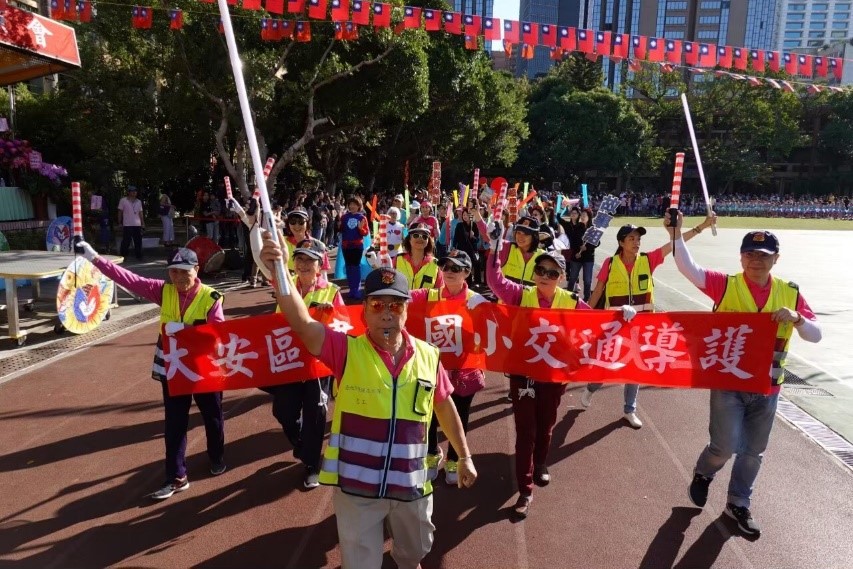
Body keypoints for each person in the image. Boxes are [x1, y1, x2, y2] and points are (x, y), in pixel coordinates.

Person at [259, 236, 477, 569]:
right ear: (364, 310)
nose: (387, 313)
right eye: (377, 305)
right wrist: (278, 270)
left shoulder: (430, 357)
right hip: (357, 487)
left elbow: (443, 406)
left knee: (416, 550)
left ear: (407, 309)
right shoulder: (345, 350)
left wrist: (464, 455)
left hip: (411, 483)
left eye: (396, 305)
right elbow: (302, 323)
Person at [665, 213, 821, 537]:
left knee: (753, 451)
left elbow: (815, 334)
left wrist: (797, 319)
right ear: (741, 257)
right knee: (723, 446)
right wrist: (676, 233)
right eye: (750, 254)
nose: (756, 261)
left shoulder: (790, 293)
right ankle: (704, 472)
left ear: (775, 259)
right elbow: (687, 268)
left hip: (767, 387)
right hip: (729, 385)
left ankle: (738, 503)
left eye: (763, 256)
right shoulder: (726, 285)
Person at [74, 241, 226, 499]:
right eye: (173, 271)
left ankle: (217, 456)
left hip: (204, 368)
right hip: (174, 365)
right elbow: (128, 278)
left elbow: (219, 334)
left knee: (212, 415)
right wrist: (93, 257)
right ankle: (176, 476)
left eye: (184, 271)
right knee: (175, 423)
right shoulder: (162, 290)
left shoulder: (211, 297)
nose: (178, 277)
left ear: (196, 269)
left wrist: (189, 333)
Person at [487, 225, 608, 520]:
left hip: (554, 376)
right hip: (523, 374)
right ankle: (525, 490)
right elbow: (495, 280)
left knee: (546, 425)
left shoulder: (570, 302)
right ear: (534, 271)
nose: (545, 276)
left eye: (553, 273)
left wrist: (623, 315)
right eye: (541, 269)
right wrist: (493, 248)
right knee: (525, 431)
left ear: (562, 278)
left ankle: (540, 463)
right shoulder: (520, 295)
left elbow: (598, 324)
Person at [579, 219, 712, 428]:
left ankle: (629, 410)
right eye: (631, 238)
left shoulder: (648, 260)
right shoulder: (610, 264)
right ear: (621, 242)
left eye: (638, 239)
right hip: (614, 325)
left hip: (641, 327)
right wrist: (583, 315)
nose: (636, 242)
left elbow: (675, 244)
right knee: (606, 365)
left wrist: (701, 227)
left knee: (634, 369)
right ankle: (590, 389)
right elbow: (597, 291)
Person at [266, 238, 343, 488]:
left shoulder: (332, 291)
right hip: (289, 363)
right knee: (283, 411)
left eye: (310, 260)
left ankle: (312, 464)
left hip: (317, 366)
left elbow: (344, 327)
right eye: (299, 259)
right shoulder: (285, 289)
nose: (304, 264)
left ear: (320, 265)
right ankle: (302, 444)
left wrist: (331, 318)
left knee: (316, 413)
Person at [411, 250, 486, 484]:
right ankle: (433, 453)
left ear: (467, 272)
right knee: (430, 414)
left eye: (456, 268)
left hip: (465, 370)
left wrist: (488, 304)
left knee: (460, 415)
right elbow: (399, 298)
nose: (449, 272)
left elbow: (496, 325)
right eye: (445, 267)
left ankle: (455, 458)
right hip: (433, 368)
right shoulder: (429, 296)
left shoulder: (476, 300)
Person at [395, 223, 444, 290]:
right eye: (416, 235)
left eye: (424, 236)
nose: (420, 238)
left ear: (428, 241)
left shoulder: (436, 264)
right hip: (401, 300)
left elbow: (439, 292)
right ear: (409, 239)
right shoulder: (397, 260)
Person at [339, 196, 370, 299]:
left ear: (359, 206)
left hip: (357, 246)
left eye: (354, 204)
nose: (352, 206)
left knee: (355, 267)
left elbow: (365, 233)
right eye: (350, 204)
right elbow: (340, 230)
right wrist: (338, 224)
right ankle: (351, 289)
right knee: (348, 267)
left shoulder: (362, 217)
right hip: (346, 246)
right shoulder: (344, 217)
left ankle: (356, 290)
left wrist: (361, 229)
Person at [569, 208, 597, 302]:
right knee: (572, 277)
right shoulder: (578, 227)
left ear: (589, 217)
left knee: (587, 280)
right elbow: (573, 241)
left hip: (588, 258)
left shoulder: (593, 229)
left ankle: (586, 298)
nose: (583, 217)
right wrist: (577, 251)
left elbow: (597, 242)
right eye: (582, 215)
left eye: (585, 215)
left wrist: (587, 248)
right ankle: (568, 295)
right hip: (577, 257)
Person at [451, 208, 481, 285]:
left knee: (475, 264)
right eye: (463, 215)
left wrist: (473, 236)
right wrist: (453, 247)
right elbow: (455, 238)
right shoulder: (459, 225)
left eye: (467, 214)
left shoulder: (474, 225)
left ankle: (477, 282)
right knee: (465, 265)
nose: (465, 216)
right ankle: (468, 283)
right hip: (463, 250)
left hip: (472, 249)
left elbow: (477, 239)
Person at [117, 185, 144, 260]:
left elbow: (140, 212)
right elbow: (120, 212)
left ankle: (139, 256)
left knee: (138, 241)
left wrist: (143, 223)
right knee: (126, 241)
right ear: (128, 192)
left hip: (137, 224)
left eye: (135, 191)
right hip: (127, 224)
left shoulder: (139, 201)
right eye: (132, 191)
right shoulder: (123, 200)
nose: (134, 193)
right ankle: (123, 255)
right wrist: (119, 222)